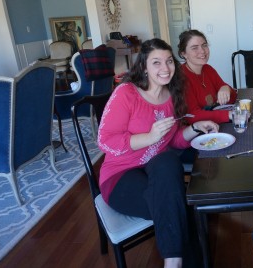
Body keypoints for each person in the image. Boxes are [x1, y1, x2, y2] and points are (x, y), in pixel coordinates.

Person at [98, 38, 218, 268]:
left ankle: (173, 263)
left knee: (165, 160)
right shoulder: (126, 93)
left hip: (158, 172)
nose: (165, 68)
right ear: (144, 66)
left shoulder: (171, 96)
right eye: (156, 62)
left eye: (169, 61)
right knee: (184, 211)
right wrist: (148, 137)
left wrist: (194, 129)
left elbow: (170, 141)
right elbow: (105, 140)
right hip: (120, 176)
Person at [178, 29, 237, 123]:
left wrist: (225, 87)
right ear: (184, 54)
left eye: (204, 45)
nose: (202, 51)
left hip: (214, 124)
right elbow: (192, 116)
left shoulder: (207, 69)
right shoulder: (181, 77)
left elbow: (232, 97)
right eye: (194, 48)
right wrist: (228, 115)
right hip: (196, 132)